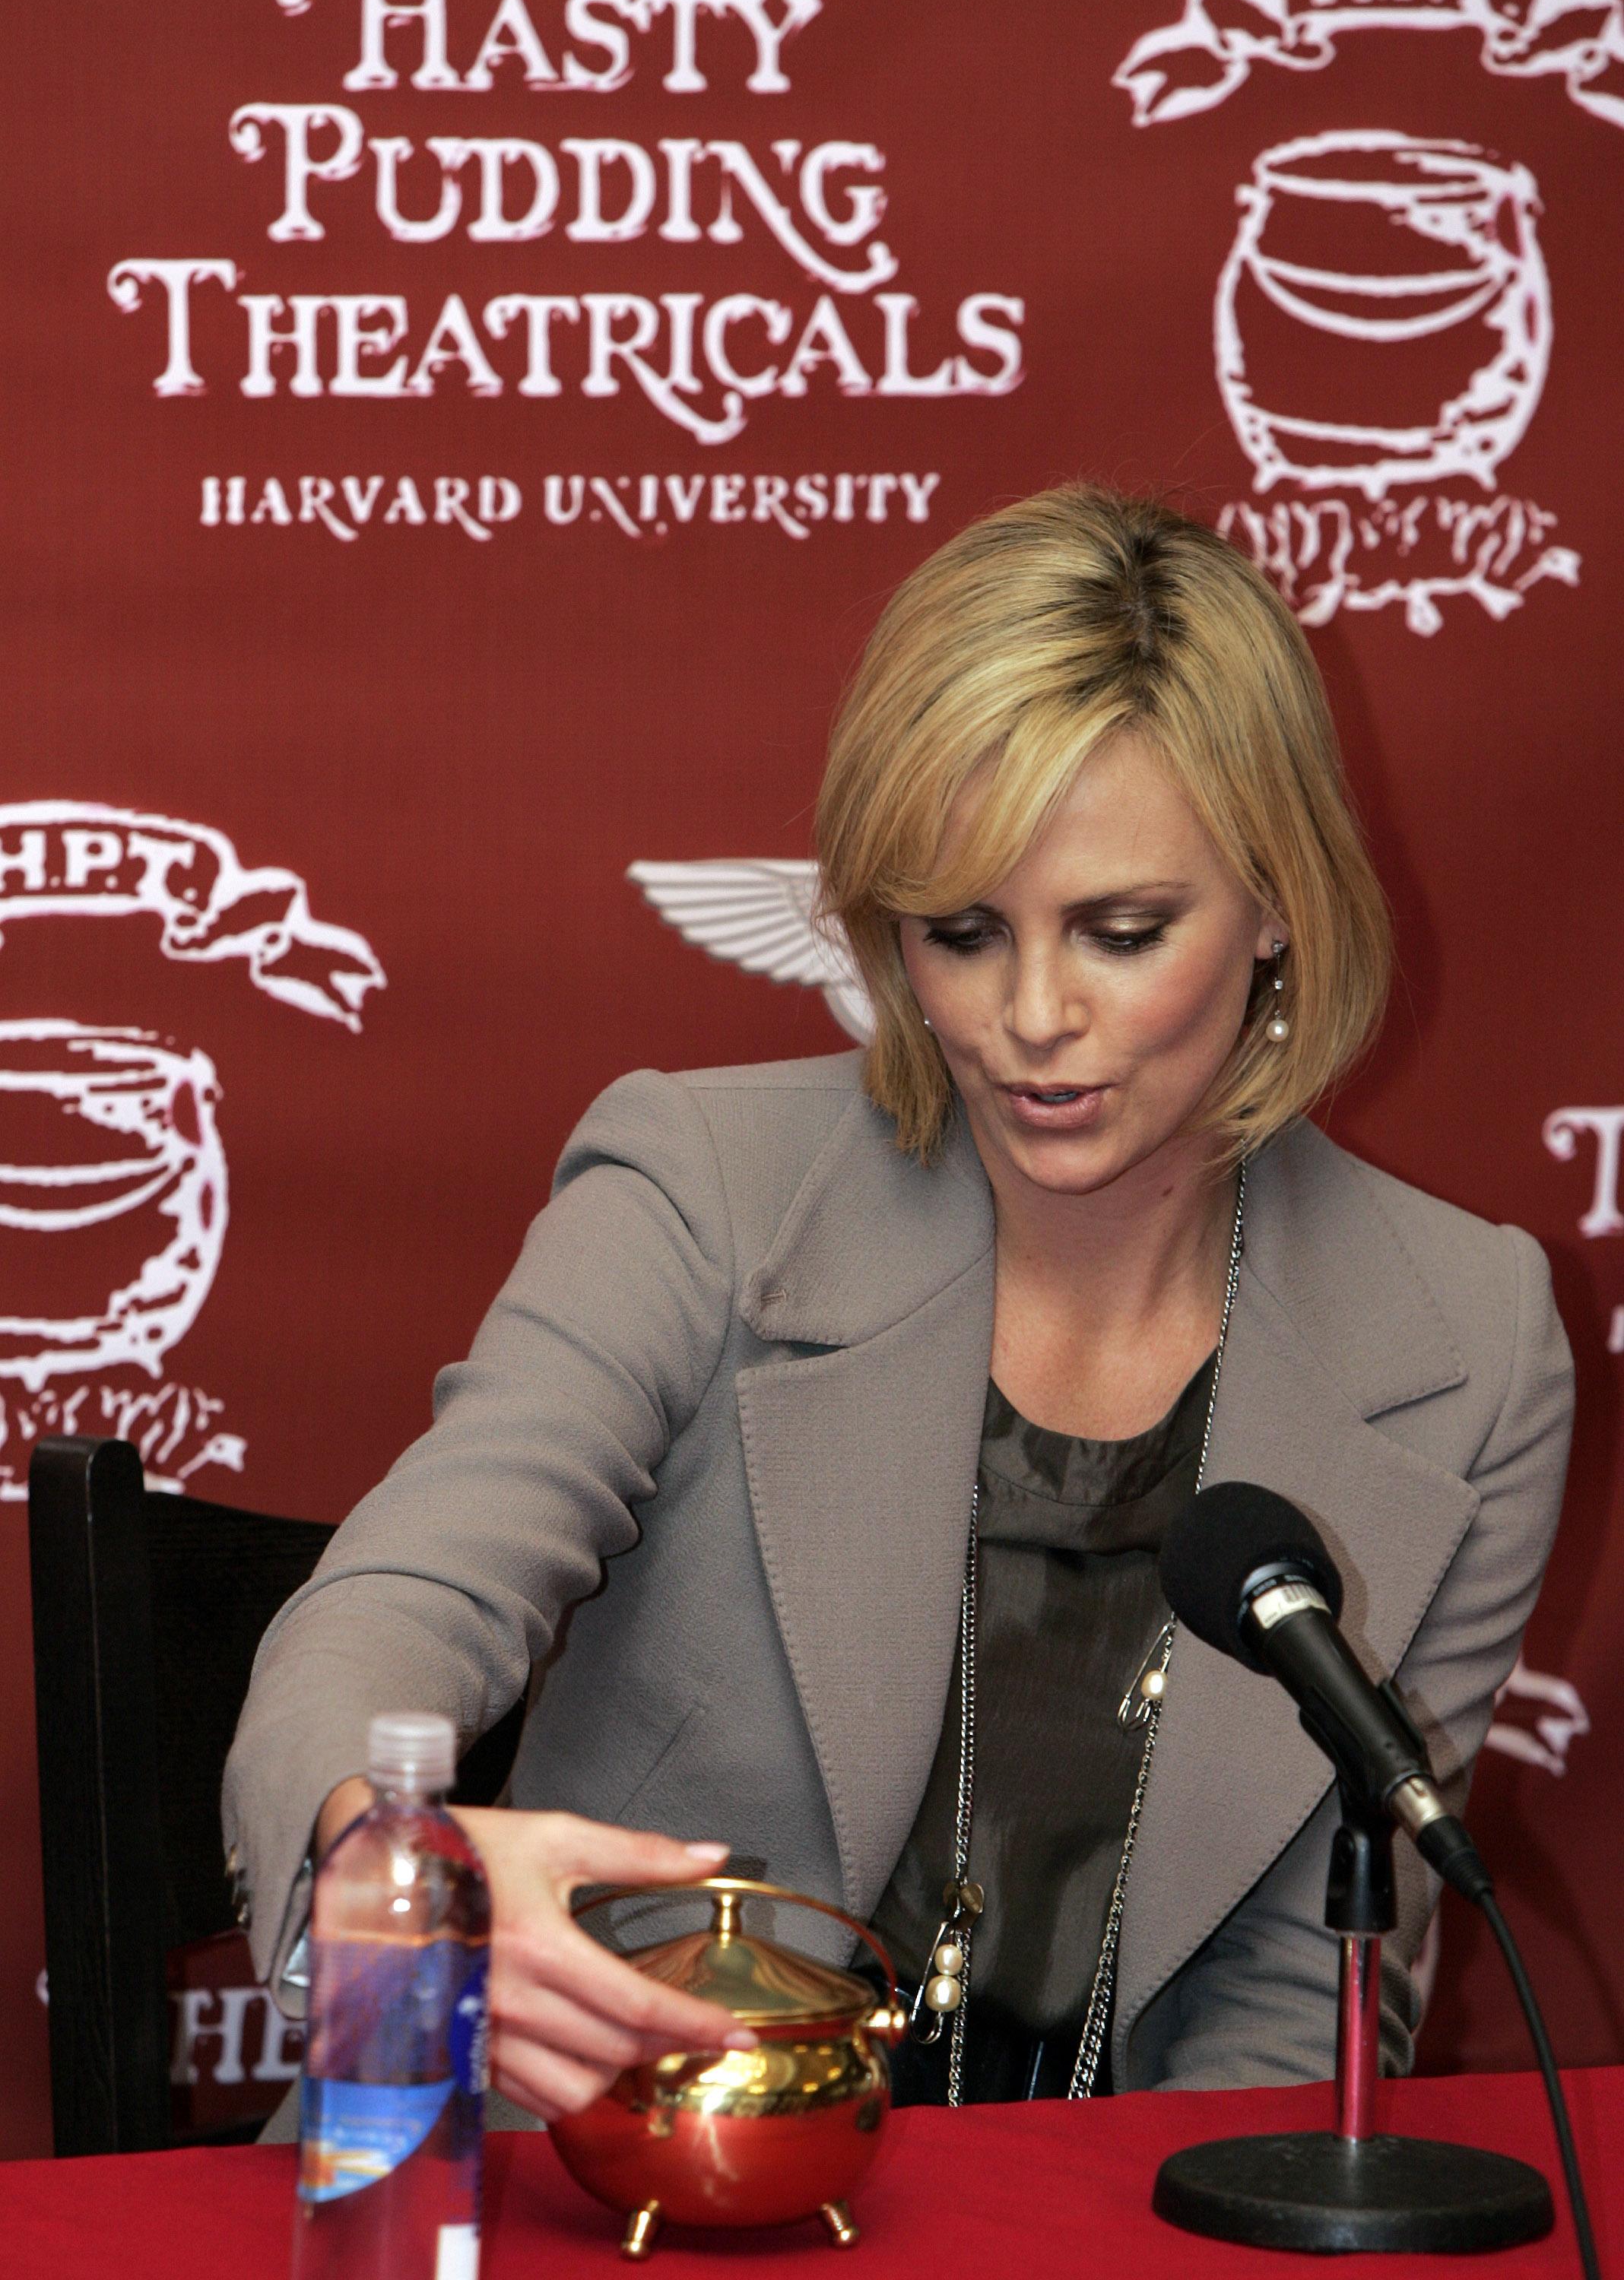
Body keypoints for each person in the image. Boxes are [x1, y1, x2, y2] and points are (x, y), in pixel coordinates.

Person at [227, 485, 1572, 2126]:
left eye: (1123, 932)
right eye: (961, 932)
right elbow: (401, 1603)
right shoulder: (705, 1191)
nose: (1032, 1017)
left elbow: (1305, 1997)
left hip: (1105, 2216)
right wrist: (381, 1856)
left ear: (1281, 901)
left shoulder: (1471, 1347)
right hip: (596, 2172)